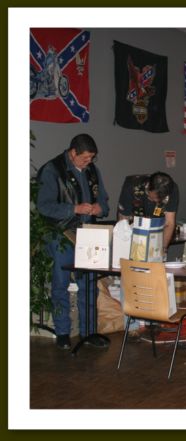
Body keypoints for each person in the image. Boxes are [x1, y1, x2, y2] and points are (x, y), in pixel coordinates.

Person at [36, 133, 110, 350]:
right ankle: (62, 333)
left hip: (88, 234)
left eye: (92, 158)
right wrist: (74, 209)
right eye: (85, 158)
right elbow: (44, 206)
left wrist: (99, 208)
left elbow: (104, 201)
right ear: (72, 153)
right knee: (60, 284)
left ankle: (89, 332)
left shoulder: (93, 171)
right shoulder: (52, 170)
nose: (89, 162)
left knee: (89, 285)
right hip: (60, 234)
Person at [117, 171, 179, 259]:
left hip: (157, 228)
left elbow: (169, 222)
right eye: (153, 198)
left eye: (159, 200)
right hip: (134, 228)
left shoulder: (172, 189)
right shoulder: (132, 185)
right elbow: (123, 220)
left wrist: (163, 249)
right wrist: (122, 248)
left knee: (156, 257)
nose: (156, 201)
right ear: (148, 186)